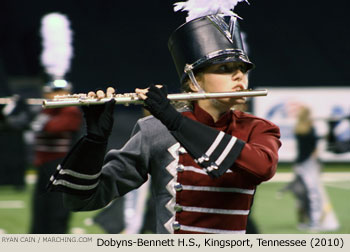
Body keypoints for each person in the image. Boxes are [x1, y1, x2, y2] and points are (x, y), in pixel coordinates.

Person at [48, 2, 281, 234]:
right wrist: (94, 141)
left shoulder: (258, 128)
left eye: (242, 68)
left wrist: (175, 121)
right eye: (224, 68)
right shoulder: (156, 130)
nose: (239, 75)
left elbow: (262, 168)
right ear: (192, 81)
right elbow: (81, 201)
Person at [29, 80, 82, 233]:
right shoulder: (46, 111)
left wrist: (40, 121)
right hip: (43, 164)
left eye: (61, 92)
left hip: (60, 165)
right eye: (54, 92)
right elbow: (35, 125)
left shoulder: (71, 111)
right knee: (40, 208)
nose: (57, 96)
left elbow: (53, 127)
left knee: (57, 210)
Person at [279, 106, 339, 231]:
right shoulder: (309, 128)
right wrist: (330, 127)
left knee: (303, 193)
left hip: (301, 163)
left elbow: (314, 144)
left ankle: (307, 221)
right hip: (308, 164)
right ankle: (314, 222)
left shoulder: (300, 127)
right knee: (313, 194)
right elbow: (315, 146)